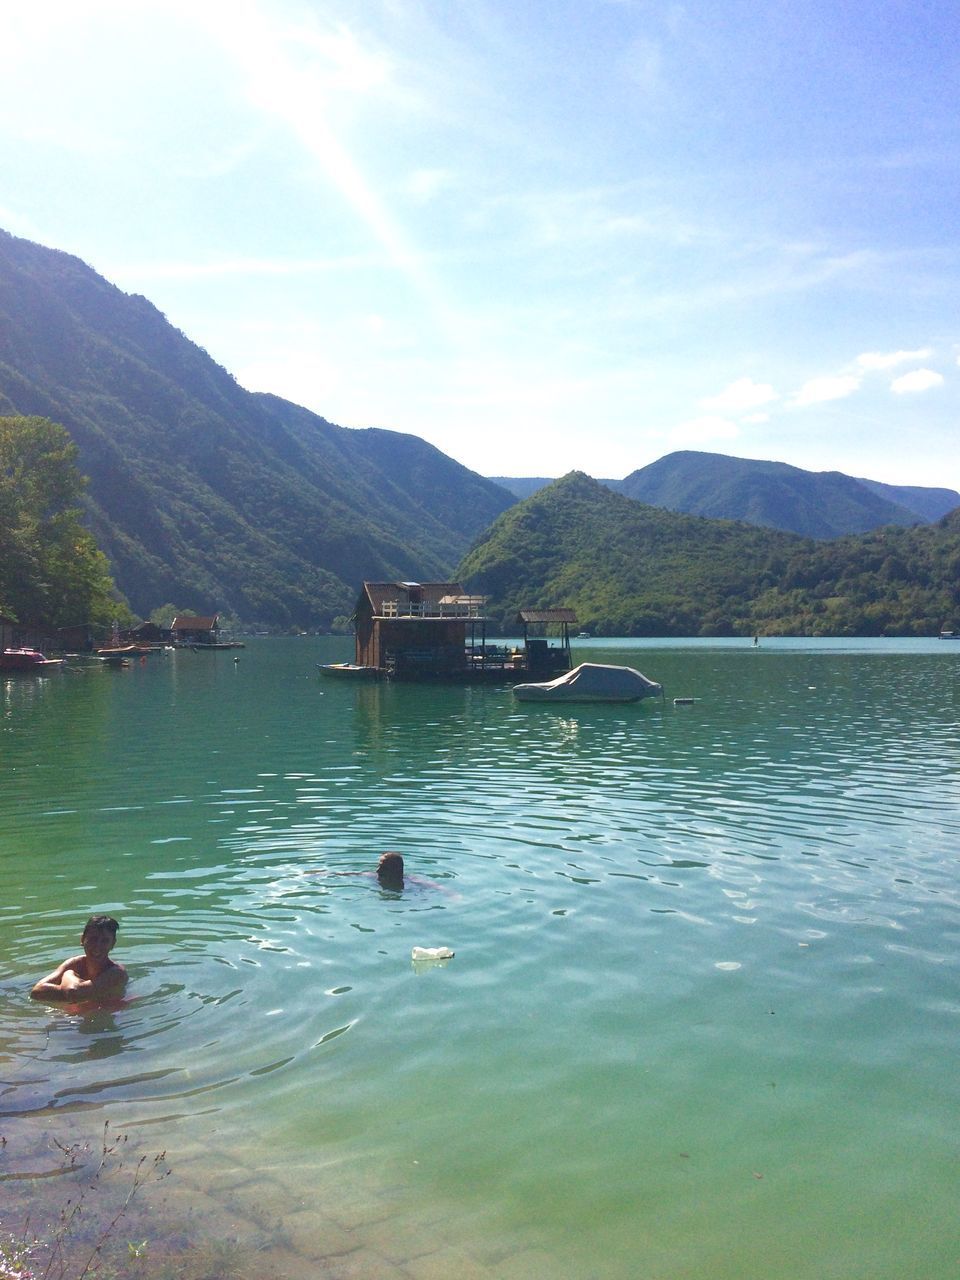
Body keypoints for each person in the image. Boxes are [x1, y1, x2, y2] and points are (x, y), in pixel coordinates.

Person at [30, 915, 128, 1003]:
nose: (97, 946)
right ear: (82, 939)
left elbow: (74, 993)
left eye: (105, 941)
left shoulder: (116, 973)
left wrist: (68, 975)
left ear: (113, 944)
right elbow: (36, 992)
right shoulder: (75, 963)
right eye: (93, 939)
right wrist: (75, 993)